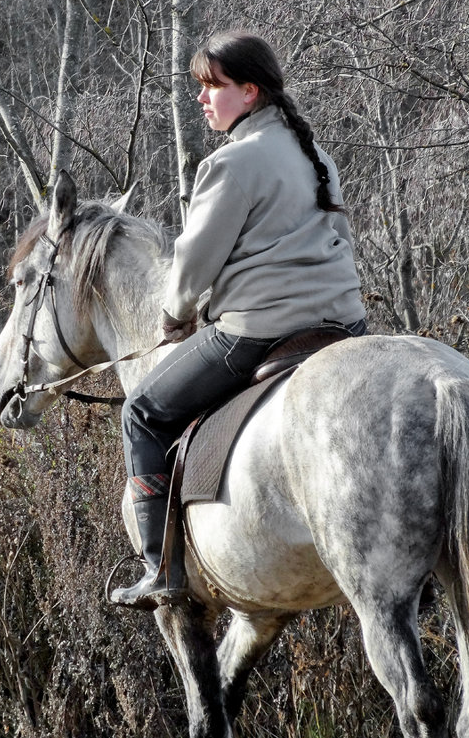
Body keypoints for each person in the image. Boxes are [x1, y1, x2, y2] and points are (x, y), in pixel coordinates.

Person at [109, 31, 367, 610]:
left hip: (258, 330)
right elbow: (342, 240)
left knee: (143, 415)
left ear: (249, 92)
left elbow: (193, 263)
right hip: (345, 327)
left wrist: (174, 316)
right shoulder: (314, 155)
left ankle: (161, 571)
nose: (202, 98)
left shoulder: (231, 162)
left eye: (213, 86)